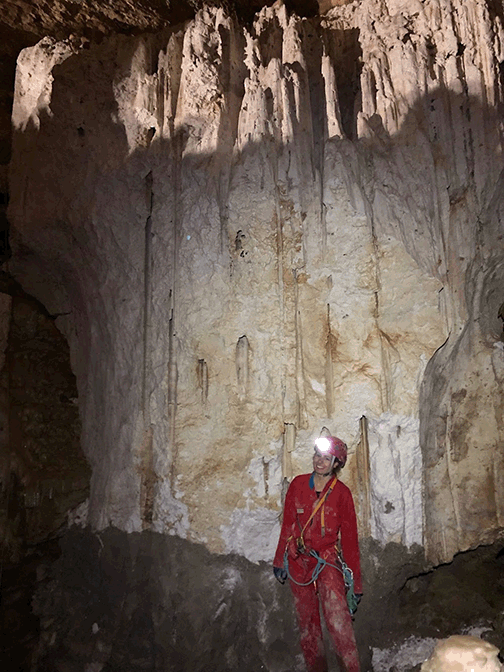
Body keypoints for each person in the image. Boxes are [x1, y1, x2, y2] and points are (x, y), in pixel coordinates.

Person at [273, 435, 362, 672]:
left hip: (327, 560)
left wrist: (357, 584)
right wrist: (279, 559)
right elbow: (289, 524)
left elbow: (350, 541)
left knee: (338, 621)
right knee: (307, 625)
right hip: (298, 560)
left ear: (336, 463)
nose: (319, 461)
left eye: (325, 458)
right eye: (316, 456)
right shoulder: (298, 485)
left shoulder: (342, 494)